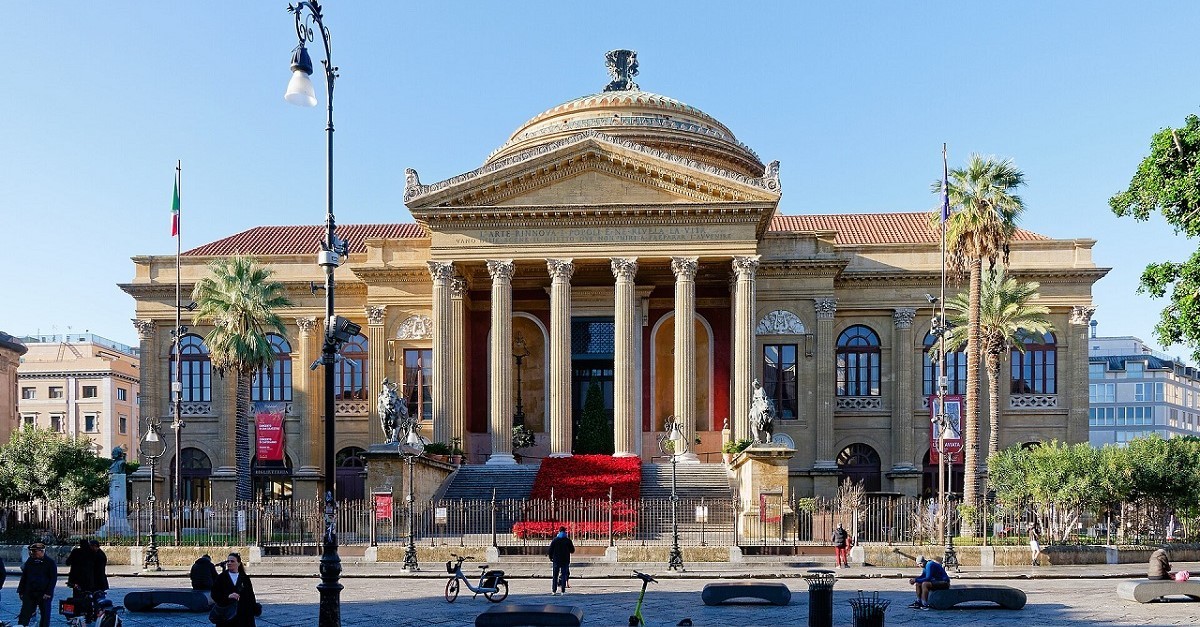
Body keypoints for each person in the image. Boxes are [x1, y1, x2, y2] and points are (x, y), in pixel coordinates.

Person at [17, 543, 57, 627]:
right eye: (32, 551)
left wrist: (48, 592)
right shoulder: (30, 561)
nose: (32, 553)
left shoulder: (50, 562)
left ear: (41, 551)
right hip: (30, 592)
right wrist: (21, 590)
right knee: (25, 613)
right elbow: (24, 577)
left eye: (34, 551)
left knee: (45, 614)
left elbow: (53, 579)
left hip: (43, 593)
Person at [211, 553, 257, 626]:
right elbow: (214, 594)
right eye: (228, 561)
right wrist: (228, 596)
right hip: (227, 613)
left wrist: (254, 608)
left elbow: (250, 595)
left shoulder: (244, 578)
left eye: (232, 561)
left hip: (243, 613)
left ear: (238, 563)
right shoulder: (221, 577)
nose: (229, 563)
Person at [547, 527, 574, 596]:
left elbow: (550, 550)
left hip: (556, 560)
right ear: (565, 532)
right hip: (565, 560)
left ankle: (554, 590)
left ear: (559, 532)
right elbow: (572, 550)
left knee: (555, 575)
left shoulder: (555, 540)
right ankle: (563, 591)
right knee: (564, 575)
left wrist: (551, 557)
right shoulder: (567, 540)